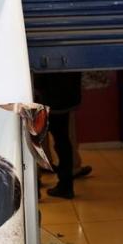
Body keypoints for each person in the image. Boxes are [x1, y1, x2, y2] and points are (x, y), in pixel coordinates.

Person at [34, 71, 90, 199]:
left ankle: (35, 188)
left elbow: (39, 79)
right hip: (65, 98)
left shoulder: (44, 51)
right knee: (63, 141)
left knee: (37, 143)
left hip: (47, 97)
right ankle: (66, 185)